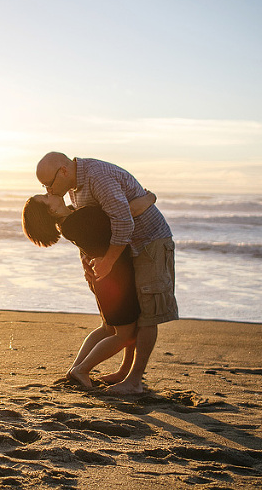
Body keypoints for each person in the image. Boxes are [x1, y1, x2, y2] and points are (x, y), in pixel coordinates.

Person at [36, 152, 179, 394]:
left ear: (63, 171)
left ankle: (134, 380)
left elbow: (122, 221)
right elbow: (92, 227)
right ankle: (123, 371)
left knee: (148, 314)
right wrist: (88, 261)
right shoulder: (72, 188)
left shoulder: (97, 177)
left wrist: (108, 261)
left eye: (47, 184)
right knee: (133, 315)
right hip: (125, 249)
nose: (48, 190)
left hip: (149, 242)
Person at [22, 192, 156, 388]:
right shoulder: (79, 219)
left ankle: (75, 369)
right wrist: (148, 199)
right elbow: (120, 214)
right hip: (116, 280)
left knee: (107, 329)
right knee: (125, 335)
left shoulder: (68, 224)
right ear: (50, 210)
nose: (49, 192)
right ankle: (81, 369)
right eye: (45, 197)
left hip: (105, 281)